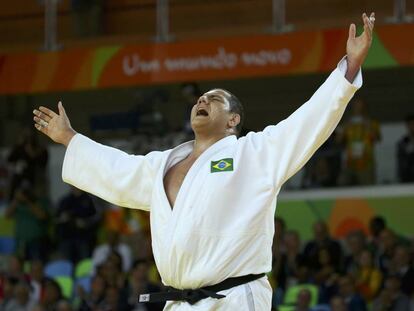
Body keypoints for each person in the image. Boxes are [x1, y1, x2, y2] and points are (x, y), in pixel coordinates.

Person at [32, 13, 375, 311]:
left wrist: (349, 69)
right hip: (180, 302)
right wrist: (70, 139)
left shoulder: (253, 154)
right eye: (200, 97)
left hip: (235, 298)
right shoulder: (164, 163)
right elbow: (117, 171)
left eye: (214, 99)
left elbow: (307, 122)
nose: (202, 99)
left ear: (233, 121)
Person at [337, 97, 381, 186]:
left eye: (361, 106)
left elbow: (377, 139)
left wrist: (368, 125)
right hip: (350, 162)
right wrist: (344, 127)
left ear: (365, 108)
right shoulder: (347, 123)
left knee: (368, 187)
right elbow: (338, 140)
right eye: (356, 106)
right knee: (342, 184)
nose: (358, 109)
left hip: (366, 162)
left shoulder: (372, 123)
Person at [397, 114, 414, 183]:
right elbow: (401, 162)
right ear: (407, 126)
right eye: (411, 124)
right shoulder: (403, 143)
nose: (413, 127)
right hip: (407, 177)